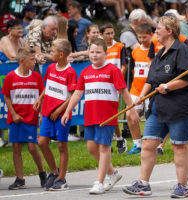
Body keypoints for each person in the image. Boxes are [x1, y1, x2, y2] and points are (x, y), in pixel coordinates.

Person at [122, 15, 188, 198]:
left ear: (169, 31)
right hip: (159, 106)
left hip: (181, 106)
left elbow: (187, 78)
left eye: (158, 28)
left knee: (179, 146)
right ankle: (143, 184)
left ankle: (182, 186)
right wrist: (141, 97)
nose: (155, 31)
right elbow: (151, 79)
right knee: (149, 143)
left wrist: (168, 86)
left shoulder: (182, 50)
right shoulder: (159, 53)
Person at [61, 38, 140, 194]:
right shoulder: (85, 71)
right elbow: (77, 93)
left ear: (106, 53)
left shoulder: (113, 70)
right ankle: (112, 173)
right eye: (91, 52)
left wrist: (131, 110)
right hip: (90, 115)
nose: (94, 55)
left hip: (107, 117)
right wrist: (67, 110)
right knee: (91, 147)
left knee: (104, 148)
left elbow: (124, 91)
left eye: (98, 52)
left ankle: (99, 181)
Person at [1, 47, 47, 190]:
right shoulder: (10, 76)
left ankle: (42, 173)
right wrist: (13, 113)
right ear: (22, 61)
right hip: (16, 118)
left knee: (33, 147)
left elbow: (43, 95)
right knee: (16, 147)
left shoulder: (36, 77)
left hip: (31, 117)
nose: (35, 62)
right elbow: (6, 96)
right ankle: (20, 178)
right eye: (32, 60)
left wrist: (41, 114)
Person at [35, 39, 77, 190]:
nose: (50, 54)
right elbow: (48, 86)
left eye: (52, 52)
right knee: (41, 142)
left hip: (61, 114)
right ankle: (54, 171)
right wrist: (40, 99)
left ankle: (62, 178)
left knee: (61, 145)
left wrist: (59, 110)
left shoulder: (70, 72)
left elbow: (72, 95)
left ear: (61, 55)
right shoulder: (51, 67)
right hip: (47, 112)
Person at [99, 23, 127, 154]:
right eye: (107, 33)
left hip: (115, 84)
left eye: (112, 33)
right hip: (101, 84)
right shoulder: (99, 48)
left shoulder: (120, 46)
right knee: (104, 114)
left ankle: (119, 138)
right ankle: (111, 140)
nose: (110, 36)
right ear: (101, 35)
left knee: (112, 113)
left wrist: (118, 82)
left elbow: (124, 66)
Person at [126, 23, 152, 155]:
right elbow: (133, 69)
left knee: (150, 117)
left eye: (144, 37)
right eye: (139, 37)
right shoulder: (135, 51)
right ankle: (137, 144)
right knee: (130, 114)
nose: (142, 40)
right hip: (136, 89)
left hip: (151, 90)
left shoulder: (156, 50)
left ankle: (151, 144)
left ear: (151, 36)